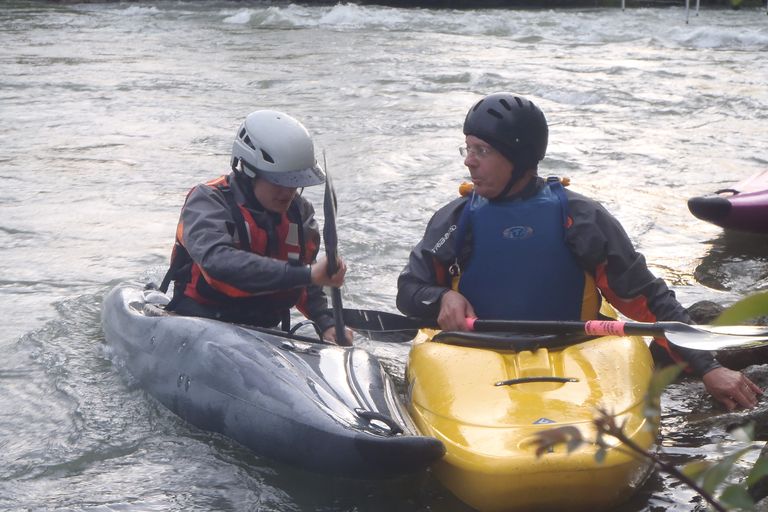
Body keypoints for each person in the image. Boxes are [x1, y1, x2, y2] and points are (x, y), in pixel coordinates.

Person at [396, 92, 761, 410]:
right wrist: (441, 298)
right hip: (474, 350)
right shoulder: (457, 219)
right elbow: (410, 290)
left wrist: (709, 368)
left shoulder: (581, 218)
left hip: (570, 349)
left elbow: (647, 299)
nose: (468, 161)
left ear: (518, 157)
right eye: (468, 148)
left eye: (481, 150)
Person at [160, 109, 352, 345]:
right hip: (200, 322)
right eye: (279, 182)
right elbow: (217, 261)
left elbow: (304, 284)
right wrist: (308, 274)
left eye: (295, 183)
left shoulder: (300, 214)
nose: (288, 193)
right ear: (249, 172)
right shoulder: (208, 201)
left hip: (263, 332)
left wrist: (326, 322)